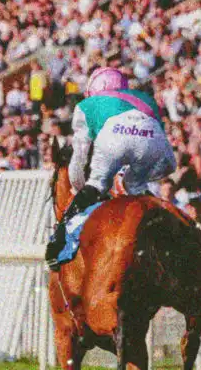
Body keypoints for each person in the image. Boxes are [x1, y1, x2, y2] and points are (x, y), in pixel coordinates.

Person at [45, 67, 176, 268]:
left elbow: (79, 158)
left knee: (96, 185)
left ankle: (56, 250)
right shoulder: (146, 99)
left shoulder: (87, 105)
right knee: (135, 185)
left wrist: (82, 189)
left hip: (116, 142)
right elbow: (164, 160)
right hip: (156, 147)